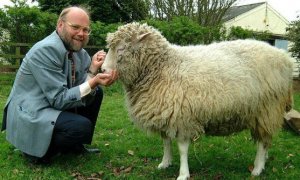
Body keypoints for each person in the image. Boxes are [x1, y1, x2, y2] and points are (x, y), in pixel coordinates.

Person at [1, 6, 117, 164]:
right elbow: (59, 99)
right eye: (75, 27)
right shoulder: (46, 50)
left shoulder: (80, 53)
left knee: (96, 93)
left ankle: (75, 146)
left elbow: (77, 87)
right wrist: (93, 81)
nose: (81, 34)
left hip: (51, 103)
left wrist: (92, 70)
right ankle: (36, 153)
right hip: (31, 110)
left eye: (86, 29)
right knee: (80, 126)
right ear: (60, 25)